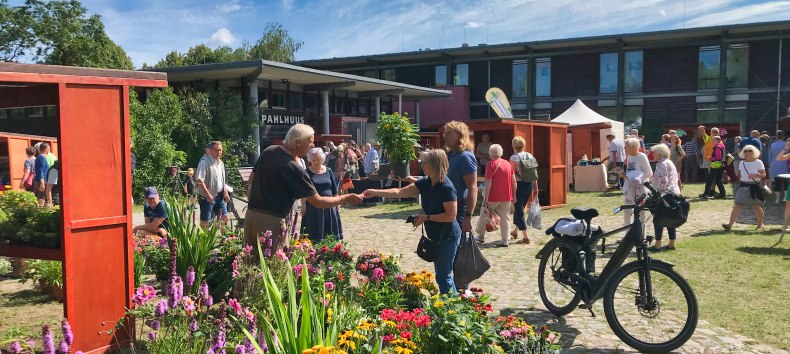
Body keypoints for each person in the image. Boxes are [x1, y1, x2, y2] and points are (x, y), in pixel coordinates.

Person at [245, 124, 362, 254]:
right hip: (270, 223)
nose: (312, 146)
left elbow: (251, 178)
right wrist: (347, 197)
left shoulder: (269, 151)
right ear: (298, 142)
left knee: (250, 265)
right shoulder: (294, 167)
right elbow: (318, 202)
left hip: (251, 216)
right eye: (309, 142)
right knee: (273, 268)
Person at [361, 149, 460, 294]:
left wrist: (426, 217)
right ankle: (451, 306)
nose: (422, 166)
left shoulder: (447, 187)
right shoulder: (426, 182)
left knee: (443, 276)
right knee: (442, 275)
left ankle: (454, 310)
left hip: (448, 236)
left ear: (434, 164)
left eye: (425, 163)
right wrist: (375, 192)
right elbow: (400, 192)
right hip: (436, 235)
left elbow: (450, 216)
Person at [475, 144, 516, 247]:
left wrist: (485, 198)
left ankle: (480, 236)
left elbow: (488, 182)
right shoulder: (508, 164)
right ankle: (505, 239)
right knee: (505, 217)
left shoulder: (490, 164)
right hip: (506, 195)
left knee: (484, 213)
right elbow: (514, 181)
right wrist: (514, 195)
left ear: (490, 153)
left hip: (493, 195)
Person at [300, 147, 343, 243]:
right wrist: (303, 206)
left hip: (329, 204)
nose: (315, 162)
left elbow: (334, 190)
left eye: (318, 160)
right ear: (310, 160)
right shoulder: (306, 173)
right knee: (314, 231)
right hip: (313, 205)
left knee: (330, 230)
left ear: (322, 159)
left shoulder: (329, 171)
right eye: (313, 160)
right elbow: (304, 191)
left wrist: (337, 202)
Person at [443, 121, 478, 234]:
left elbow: (472, 187)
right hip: (447, 205)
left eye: (449, 133)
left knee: (456, 244)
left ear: (460, 135)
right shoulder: (450, 155)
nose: (445, 135)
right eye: (445, 132)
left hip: (459, 208)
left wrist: (468, 216)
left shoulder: (465, 157)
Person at [722, 145, 766, 231]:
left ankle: (760, 224)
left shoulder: (758, 162)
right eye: (746, 151)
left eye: (750, 150)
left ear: (754, 152)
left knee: (756, 206)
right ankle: (729, 225)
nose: (748, 152)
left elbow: (764, 175)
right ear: (743, 152)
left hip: (754, 186)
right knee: (737, 205)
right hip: (744, 185)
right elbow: (740, 175)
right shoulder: (742, 163)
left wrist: (756, 175)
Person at [648, 144, 680, 252]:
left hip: (664, 194)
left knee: (658, 219)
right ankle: (671, 244)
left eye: (654, 152)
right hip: (673, 193)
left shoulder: (662, 164)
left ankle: (658, 245)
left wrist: (657, 192)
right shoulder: (669, 162)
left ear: (659, 153)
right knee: (670, 219)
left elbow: (663, 181)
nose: (652, 154)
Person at [196, 141, 230, 228]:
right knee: (206, 222)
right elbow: (200, 180)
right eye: (216, 150)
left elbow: (222, 180)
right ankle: (205, 240)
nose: (218, 152)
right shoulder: (204, 163)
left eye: (220, 150)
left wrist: (225, 192)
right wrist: (208, 195)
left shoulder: (221, 163)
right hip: (207, 198)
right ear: (210, 150)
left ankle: (224, 239)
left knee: (225, 217)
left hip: (219, 196)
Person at [621, 138, 653, 225]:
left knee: (640, 212)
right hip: (630, 189)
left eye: (626, 147)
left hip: (640, 189)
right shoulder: (629, 157)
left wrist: (637, 177)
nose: (624, 149)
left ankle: (641, 235)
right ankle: (627, 234)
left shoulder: (642, 156)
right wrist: (625, 175)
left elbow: (649, 173)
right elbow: (630, 171)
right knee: (627, 212)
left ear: (633, 147)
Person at [509, 136, 533, 244]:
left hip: (518, 185)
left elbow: (511, 174)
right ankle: (515, 231)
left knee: (519, 209)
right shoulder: (530, 155)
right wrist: (536, 188)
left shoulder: (514, 158)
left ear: (514, 146)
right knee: (521, 208)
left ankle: (525, 236)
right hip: (529, 184)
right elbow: (534, 173)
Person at [769, 131, 789, 203]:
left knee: (777, 182)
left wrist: (770, 164)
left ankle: (777, 199)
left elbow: (769, 157)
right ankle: (785, 197)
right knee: (786, 182)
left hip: (775, 164)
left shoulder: (772, 145)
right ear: (784, 136)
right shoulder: (786, 144)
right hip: (785, 164)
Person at [34, 142, 51, 207]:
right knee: (46, 198)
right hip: (42, 180)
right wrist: (42, 182)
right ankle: (44, 210)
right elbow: (40, 170)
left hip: (40, 180)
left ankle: (41, 210)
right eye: (49, 148)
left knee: (41, 197)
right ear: (46, 149)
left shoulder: (39, 157)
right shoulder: (42, 158)